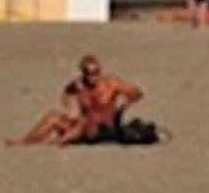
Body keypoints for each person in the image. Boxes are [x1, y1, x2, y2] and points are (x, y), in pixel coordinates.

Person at [9, 55, 144, 147]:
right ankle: (27, 141)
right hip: (83, 128)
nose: (93, 77)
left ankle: (61, 141)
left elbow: (137, 93)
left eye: (96, 73)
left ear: (100, 71)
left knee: (88, 119)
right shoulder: (78, 85)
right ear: (83, 73)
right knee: (54, 115)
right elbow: (67, 95)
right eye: (89, 73)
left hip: (105, 129)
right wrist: (71, 108)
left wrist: (123, 105)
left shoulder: (111, 83)